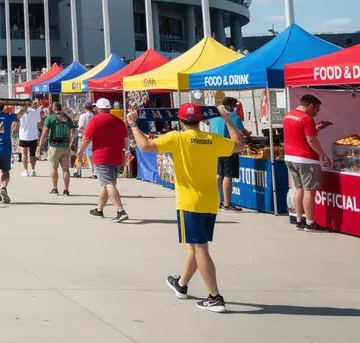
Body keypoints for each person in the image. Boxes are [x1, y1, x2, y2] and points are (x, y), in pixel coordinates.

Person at [127, 102, 246, 313]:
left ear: (180, 121)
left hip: (189, 201)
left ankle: (215, 297)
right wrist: (227, 119)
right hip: (210, 201)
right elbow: (239, 144)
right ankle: (181, 284)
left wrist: (133, 124)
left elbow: (144, 147)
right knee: (194, 245)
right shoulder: (212, 140)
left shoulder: (177, 138)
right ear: (200, 120)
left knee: (200, 248)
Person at [282, 94, 331, 231]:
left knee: (299, 189)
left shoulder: (288, 116)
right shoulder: (306, 119)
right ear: (310, 105)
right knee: (309, 191)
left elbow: (299, 134)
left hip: (290, 157)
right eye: (317, 109)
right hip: (306, 159)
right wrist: (323, 155)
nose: (317, 112)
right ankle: (310, 223)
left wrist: (318, 128)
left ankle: (299, 220)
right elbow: (311, 140)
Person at [83, 98, 129, 222]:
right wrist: (125, 154)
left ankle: (120, 210)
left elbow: (87, 138)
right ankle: (99, 209)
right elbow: (126, 139)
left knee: (108, 184)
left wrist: (79, 151)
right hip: (117, 156)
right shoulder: (119, 121)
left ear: (98, 108)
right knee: (105, 183)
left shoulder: (95, 120)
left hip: (102, 156)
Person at [208, 97, 252, 211]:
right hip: (230, 149)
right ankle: (227, 203)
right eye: (234, 106)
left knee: (219, 175)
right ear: (228, 106)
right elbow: (242, 133)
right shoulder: (233, 117)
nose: (235, 108)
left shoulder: (214, 117)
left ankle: (217, 201)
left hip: (216, 149)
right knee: (228, 176)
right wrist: (249, 133)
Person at [41, 101, 75, 195]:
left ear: (53, 108)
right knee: (66, 169)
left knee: (53, 167)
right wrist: (71, 142)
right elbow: (73, 130)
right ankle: (66, 190)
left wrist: (39, 146)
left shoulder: (50, 118)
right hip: (65, 145)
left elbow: (44, 132)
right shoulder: (66, 117)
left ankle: (55, 188)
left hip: (54, 146)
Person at [17, 99, 43, 177]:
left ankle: (26, 171)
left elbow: (17, 118)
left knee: (24, 154)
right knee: (32, 154)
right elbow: (39, 125)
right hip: (33, 135)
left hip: (23, 136)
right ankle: (33, 170)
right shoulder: (35, 112)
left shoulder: (20, 111)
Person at [74, 102, 97, 177]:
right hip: (93, 137)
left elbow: (80, 127)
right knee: (91, 155)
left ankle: (78, 171)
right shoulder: (95, 115)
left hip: (83, 137)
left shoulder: (83, 116)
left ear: (85, 108)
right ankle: (94, 172)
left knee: (79, 154)